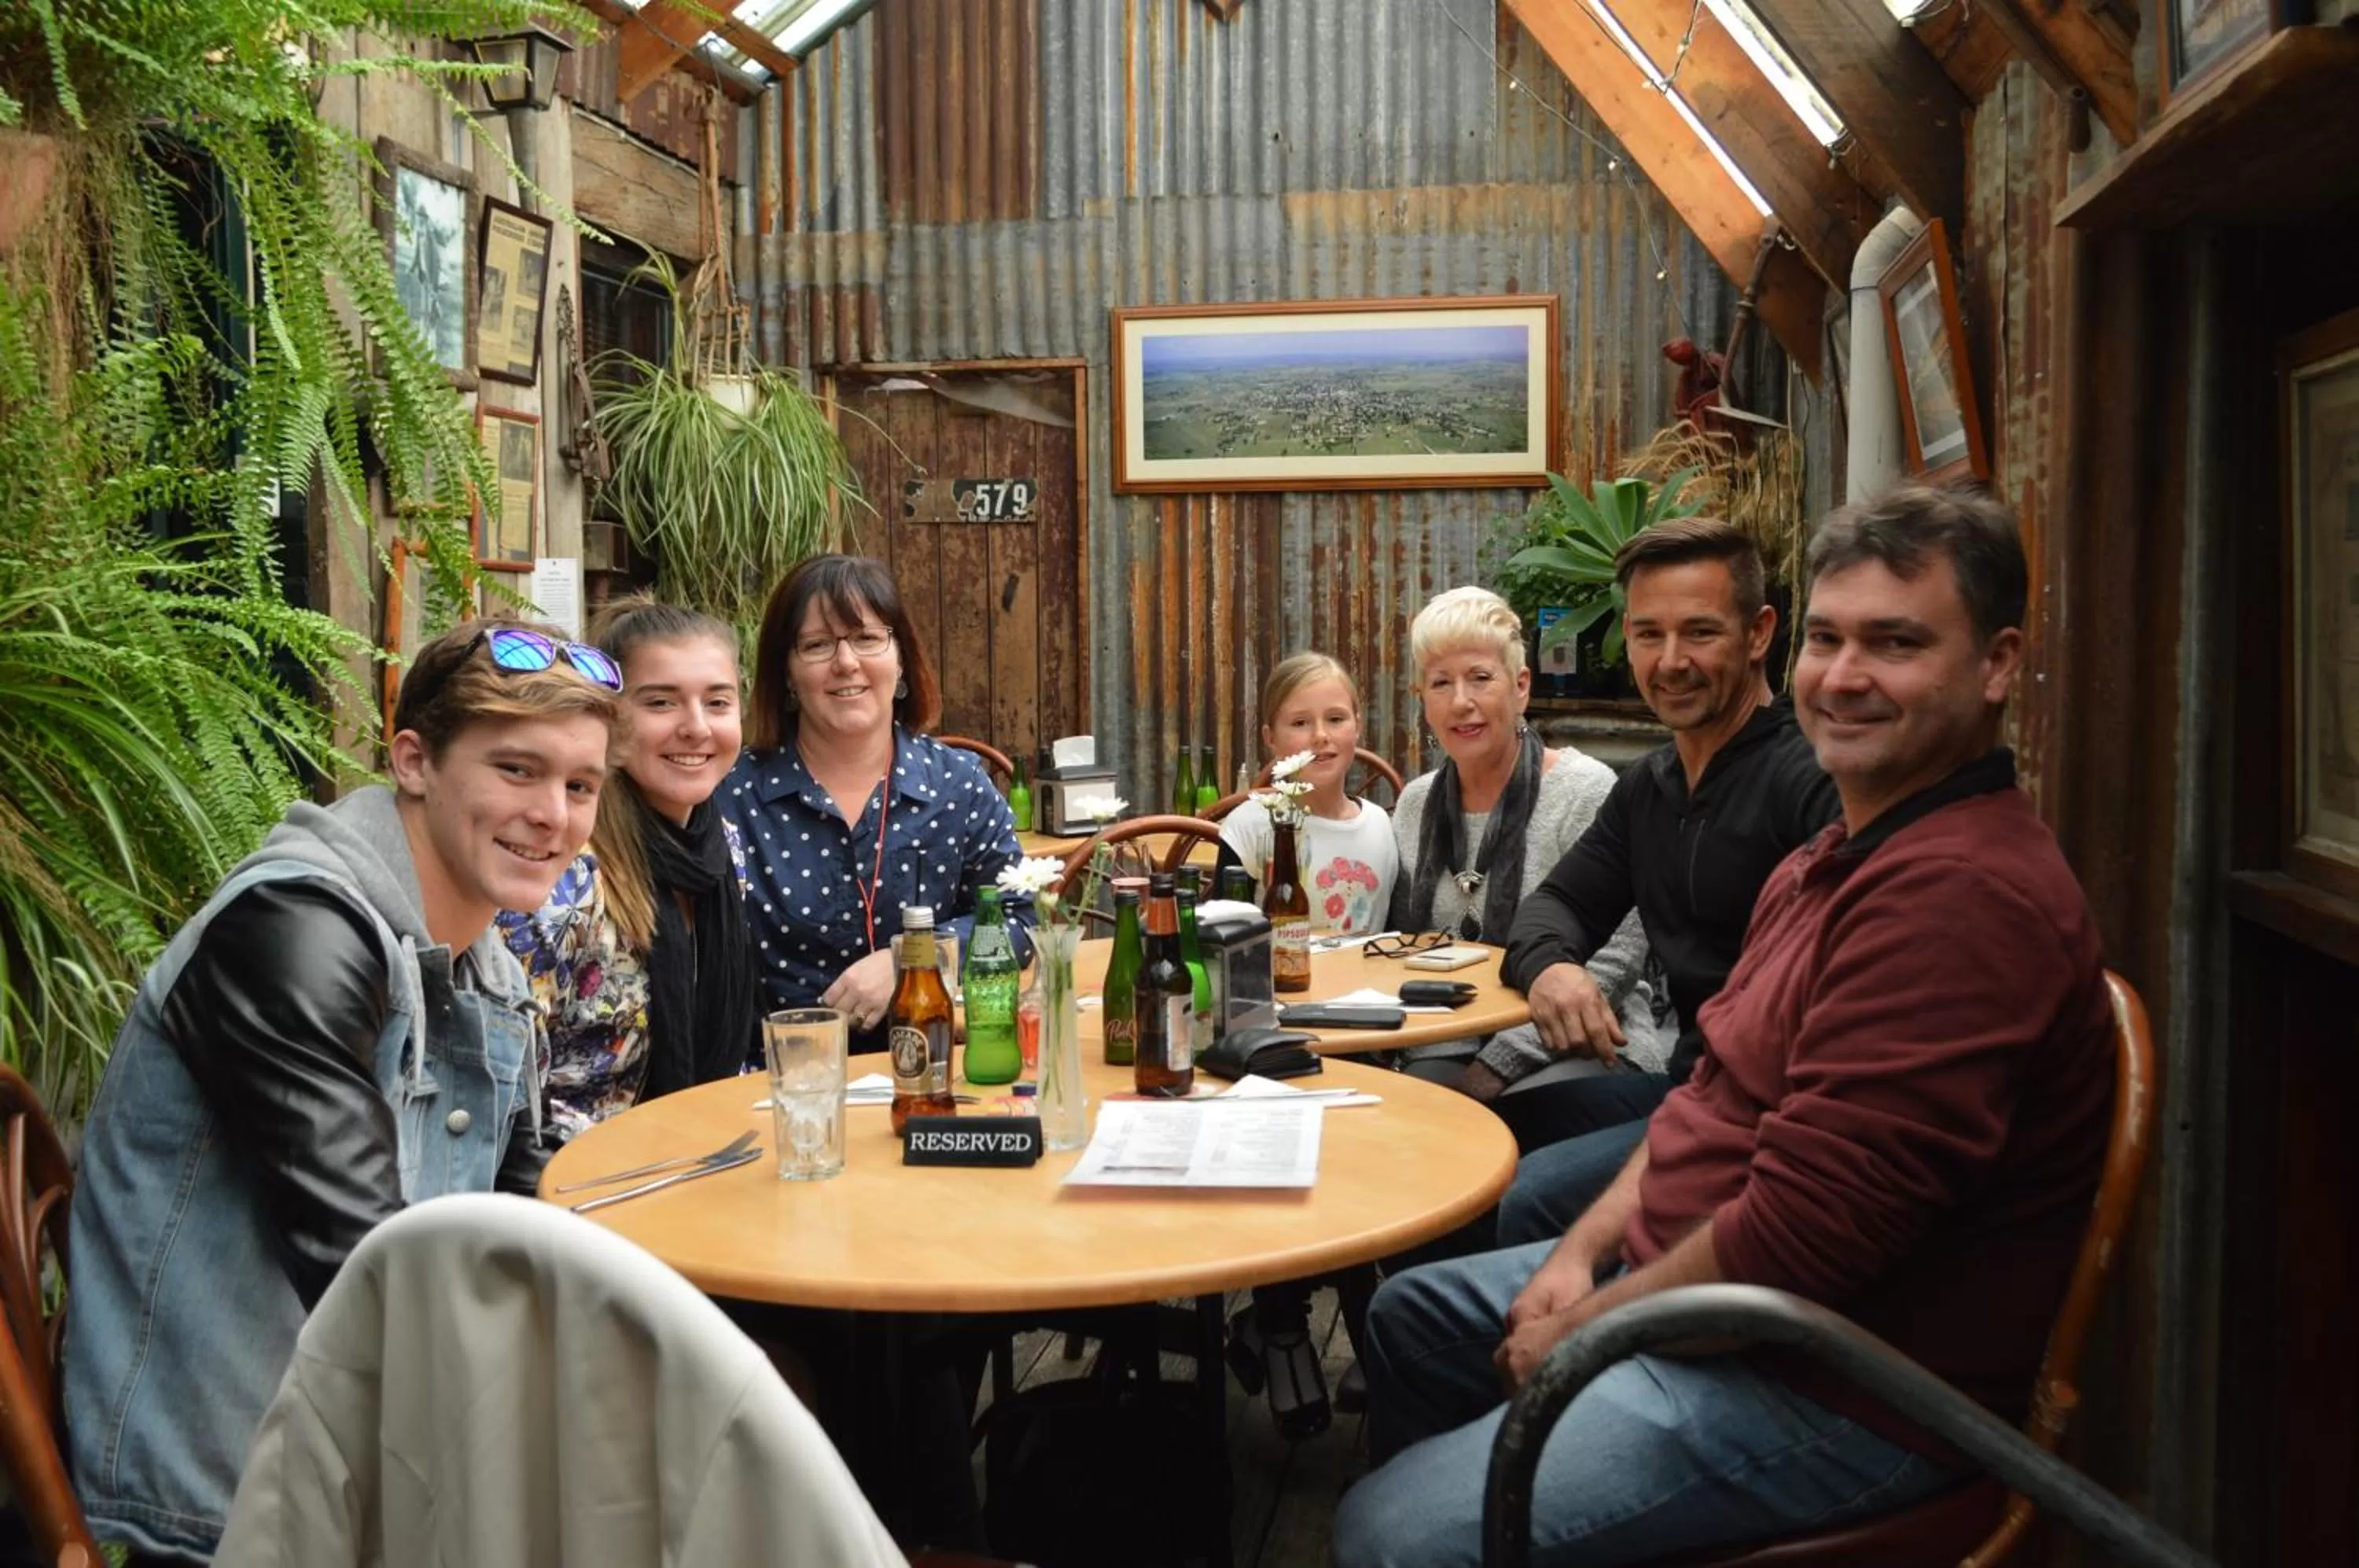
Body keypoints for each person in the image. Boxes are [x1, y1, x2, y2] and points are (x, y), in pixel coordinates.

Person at [1332, 484, 2117, 1568]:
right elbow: (1706, 1091)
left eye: (1896, 642)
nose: (1845, 676)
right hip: (1715, 1289)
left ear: (1996, 663)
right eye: (1834, 639)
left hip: (1839, 1379)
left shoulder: (1960, 900)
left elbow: (1803, 1239)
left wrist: (1593, 1327)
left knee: (1389, 1527)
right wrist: (1587, 1250)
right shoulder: (1835, 853)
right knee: (1417, 1315)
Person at [66, 620, 622, 1562]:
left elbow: (519, 1193)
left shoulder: (477, 953)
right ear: (413, 761)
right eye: (517, 771)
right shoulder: (294, 930)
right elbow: (365, 1261)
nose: (554, 815)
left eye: (580, 786)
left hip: (360, 1441)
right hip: (241, 1498)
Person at [1492, 518, 1837, 1212]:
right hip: (1685, 1085)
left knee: (1521, 1194)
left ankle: (1570, 1313)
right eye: (1649, 634)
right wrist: (1553, 968)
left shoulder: (1811, 781)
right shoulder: (1650, 788)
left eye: (1700, 633)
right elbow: (1554, 907)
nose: (1670, 660)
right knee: (1468, 1138)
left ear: (1760, 634)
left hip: (1766, 1122)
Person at [721, 554, 1029, 1055]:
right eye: (818, 645)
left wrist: (911, 959)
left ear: (902, 658)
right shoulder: (734, 796)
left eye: (867, 639)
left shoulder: (957, 784)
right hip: (782, 1085)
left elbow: (1020, 917)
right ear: (788, 674)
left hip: (933, 1068)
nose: (847, 662)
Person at [1389, 585, 1671, 1092]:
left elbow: (1618, 957)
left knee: (1512, 1115)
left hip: (1579, 1038)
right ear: (1421, 701)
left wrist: (1498, 1066)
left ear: (1521, 686)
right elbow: (1400, 949)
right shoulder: (1414, 806)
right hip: (1447, 1038)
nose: (1461, 702)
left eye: (1480, 678)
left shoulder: (1583, 791)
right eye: (1440, 683)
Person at [499, 598, 758, 1139]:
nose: (696, 727)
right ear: (611, 721)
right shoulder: (565, 876)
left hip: (696, 1159)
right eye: (661, 703)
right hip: (570, 1192)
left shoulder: (721, 845)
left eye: (717, 702)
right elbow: (503, 1096)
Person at [1216, 650, 1398, 929]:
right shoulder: (1250, 826)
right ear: (1271, 738)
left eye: (1336, 719)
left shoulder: (1381, 825)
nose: (1321, 736)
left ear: (1358, 726)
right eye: (1300, 723)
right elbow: (1223, 938)